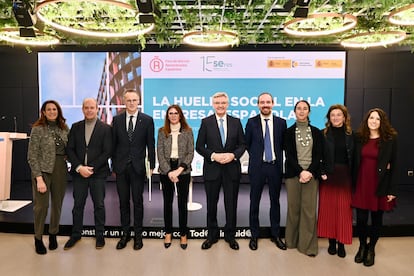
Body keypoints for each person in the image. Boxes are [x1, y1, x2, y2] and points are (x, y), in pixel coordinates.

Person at [196, 91, 246, 250]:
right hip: (212, 169)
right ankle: (212, 236)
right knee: (211, 205)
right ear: (213, 104)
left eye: (223, 103)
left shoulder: (236, 122)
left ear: (227, 104)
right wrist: (213, 156)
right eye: (217, 103)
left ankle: (230, 236)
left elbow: (242, 145)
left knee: (231, 204)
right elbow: (199, 146)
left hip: (231, 169)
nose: (220, 106)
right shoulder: (206, 122)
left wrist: (233, 155)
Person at [64, 98, 112, 250]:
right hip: (79, 174)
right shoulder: (75, 127)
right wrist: (79, 167)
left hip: (98, 173)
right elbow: (70, 149)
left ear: (97, 109)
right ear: (82, 109)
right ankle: (76, 235)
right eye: (86, 107)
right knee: (78, 205)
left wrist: (90, 168)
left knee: (99, 205)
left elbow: (107, 151)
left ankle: (100, 236)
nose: (89, 110)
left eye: (92, 107)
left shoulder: (106, 128)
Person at [352, 108, 398, 267]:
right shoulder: (359, 138)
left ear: (382, 122)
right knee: (362, 220)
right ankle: (362, 246)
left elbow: (395, 165)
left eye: (377, 119)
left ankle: (371, 249)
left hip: (380, 185)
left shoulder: (389, 139)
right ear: (367, 120)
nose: (374, 121)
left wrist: (392, 190)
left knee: (377, 219)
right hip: (361, 184)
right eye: (371, 118)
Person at [112, 88, 155, 250]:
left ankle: (138, 236)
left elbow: (151, 144)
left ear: (139, 101)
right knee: (123, 203)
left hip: (138, 168)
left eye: (134, 100)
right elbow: (113, 145)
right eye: (128, 100)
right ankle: (125, 235)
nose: (131, 103)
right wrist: (114, 165)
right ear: (124, 102)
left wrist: (151, 165)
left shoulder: (147, 120)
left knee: (138, 202)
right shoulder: (116, 120)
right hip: (121, 168)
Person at [245, 92, 287, 251]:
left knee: (275, 202)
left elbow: (283, 144)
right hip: (258, 168)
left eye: (268, 102)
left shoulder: (281, 123)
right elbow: (247, 144)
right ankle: (254, 235)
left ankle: (275, 234)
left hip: (275, 167)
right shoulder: (251, 122)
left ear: (273, 103)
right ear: (258, 104)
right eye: (262, 102)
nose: (265, 105)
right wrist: (257, 158)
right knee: (254, 202)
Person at [27, 100, 69, 255]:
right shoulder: (38, 129)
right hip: (43, 171)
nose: (52, 112)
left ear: (58, 112)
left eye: (54, 109)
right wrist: (38, 178)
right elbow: (32, 156)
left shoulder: (64, 129)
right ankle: (38, 238)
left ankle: (53, 235)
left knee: (57, 205)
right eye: (49, 109)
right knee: (41, 207)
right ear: (43, 112)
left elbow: (70, 148)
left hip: (60, 170)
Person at [283, 100, 323, 257]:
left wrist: (309, 172)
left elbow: (319, 155)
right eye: (298, 108)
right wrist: (301, 172)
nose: (301, 111)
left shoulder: (317, 132)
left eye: (304, 108)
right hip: (294, 175)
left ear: (309, 112)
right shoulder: (288, 132)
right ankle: (291, 241)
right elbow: (289, 156)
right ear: (294, 111)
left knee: (309, 211)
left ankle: (307, 246)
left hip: (311, 176)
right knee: (293, 209)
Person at [318, 104, 354, 258]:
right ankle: (332, 242)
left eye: (339, 115)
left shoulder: (352, 135)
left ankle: (341, 243)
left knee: (344, 211)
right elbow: (317, 156)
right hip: (328, 176)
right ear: (329, 118)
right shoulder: (323, 134)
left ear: (344, 117)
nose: (336, 117)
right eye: (333, 115)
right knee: (329, 211)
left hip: (345, 176)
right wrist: (321, 172)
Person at [157, 105, 194, 250]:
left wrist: (178, 170)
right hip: (166, 171)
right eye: (170, 113)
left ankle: (183, 234)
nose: (173, 115)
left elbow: (190, 152)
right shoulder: (162, 132)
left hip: (183, 170)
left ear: (180, 115)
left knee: (182, 204)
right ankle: (168, 233)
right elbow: (160, 153)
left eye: (175, 113)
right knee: (167, 203)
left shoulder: (188, 131)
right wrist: (169, 172)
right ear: (167, 116)